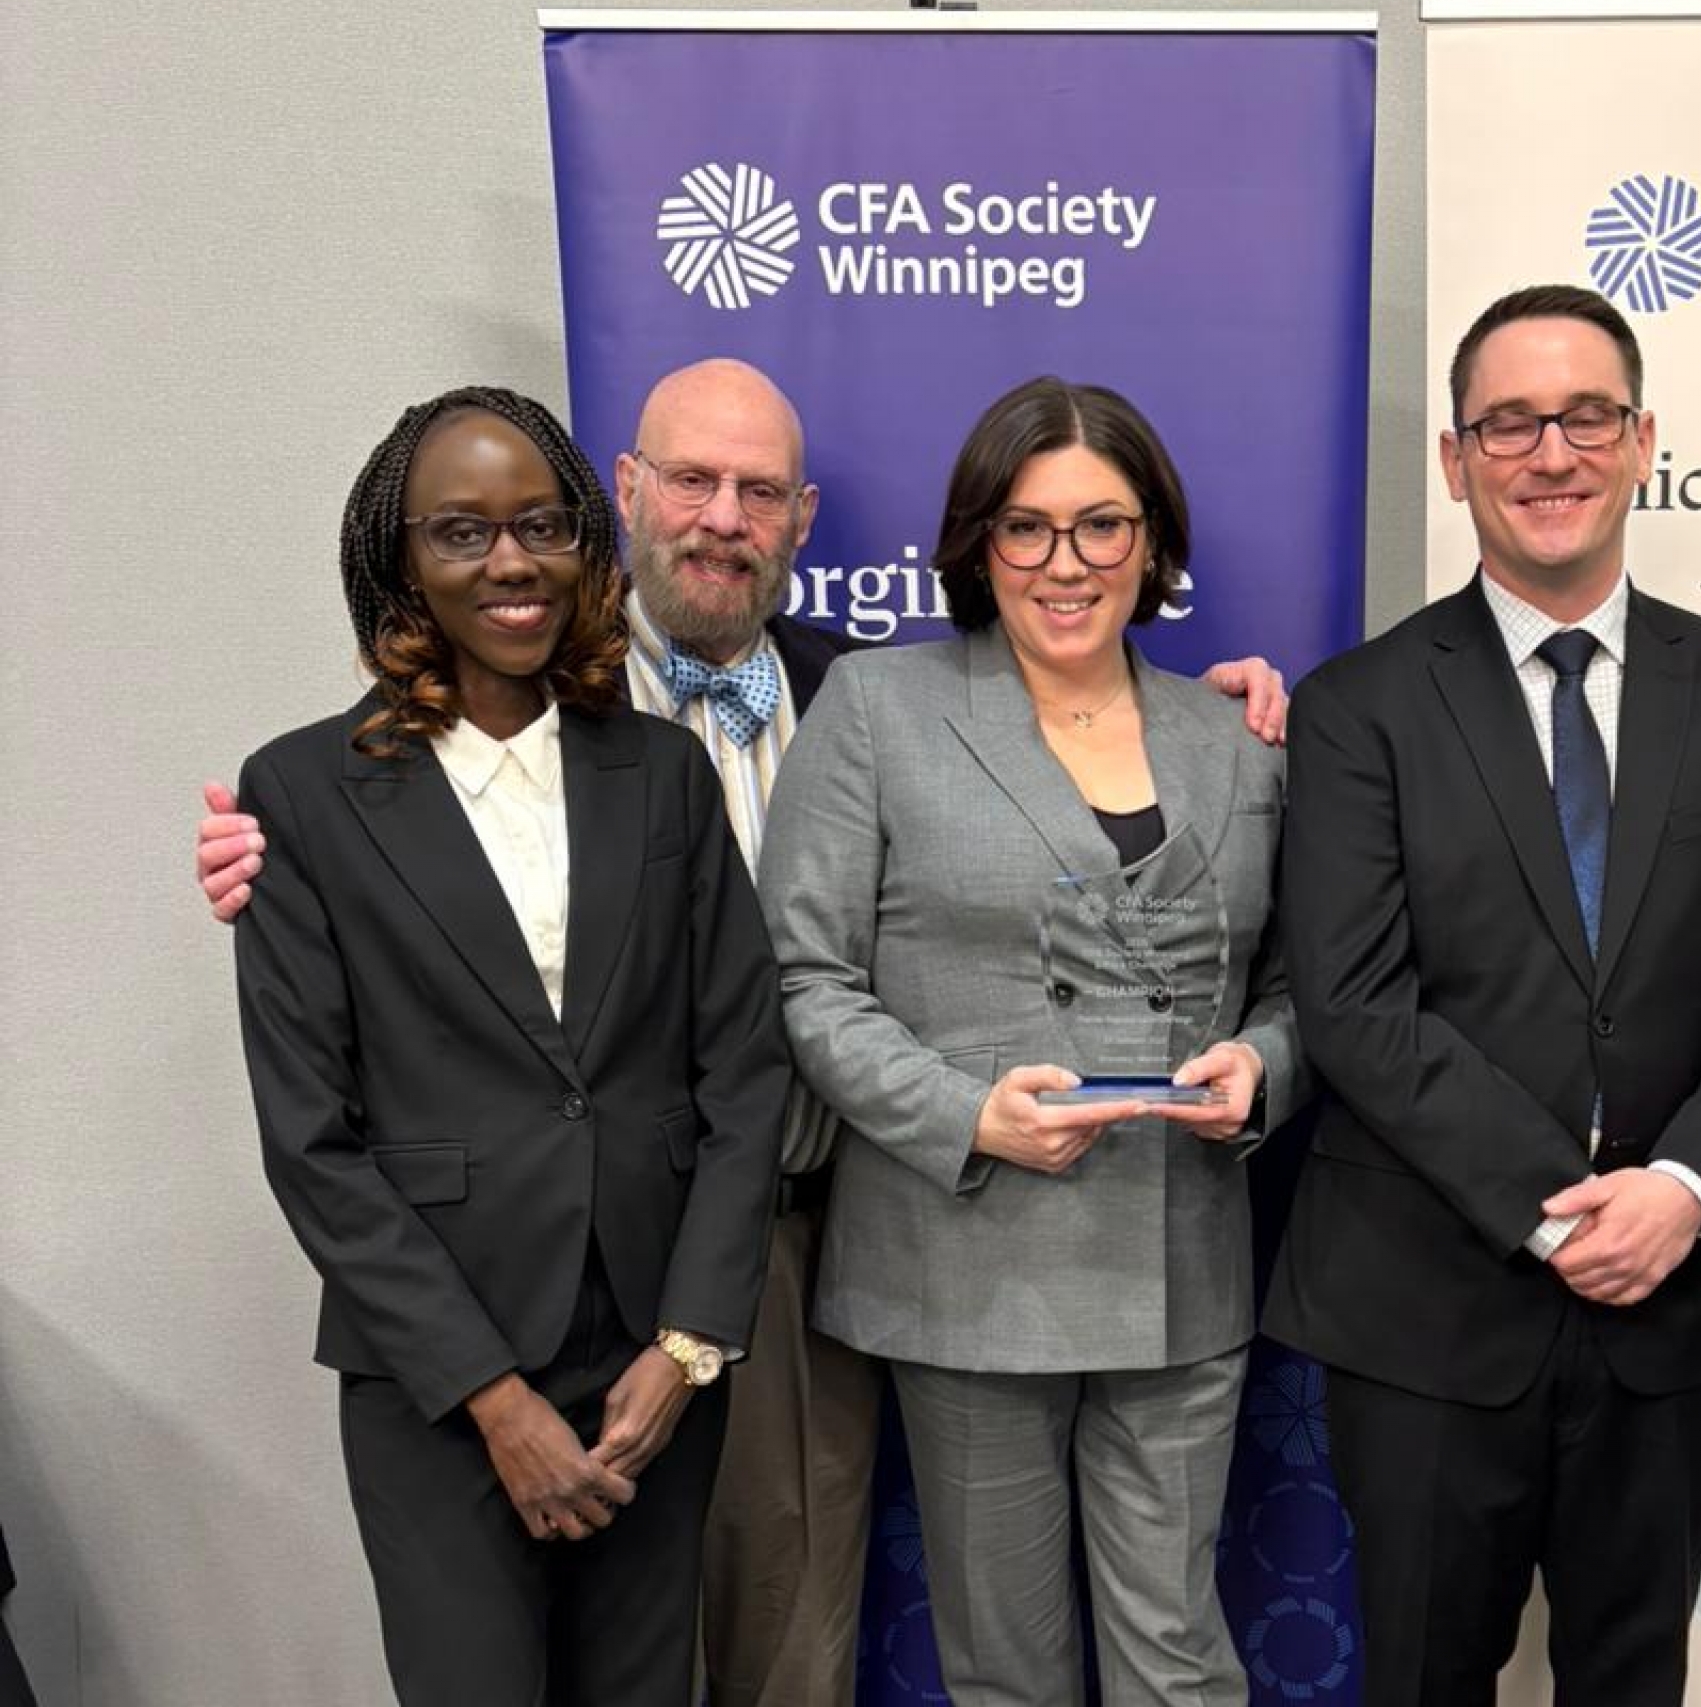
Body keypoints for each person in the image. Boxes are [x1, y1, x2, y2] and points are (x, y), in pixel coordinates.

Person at [194, 358, 1291, 1707]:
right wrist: (268, 857)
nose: (724, 517)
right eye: (693, 481)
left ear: (802, 517)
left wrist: (1222, 715)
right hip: (527, 1292)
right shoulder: (472, 714)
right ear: (627, 494)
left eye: (760, 491)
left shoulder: (845, 690)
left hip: (788, 1229)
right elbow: (373, 961)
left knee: (780, 1644)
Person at [1263, 285, 1701, 1706]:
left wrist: (1680, 1194)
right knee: (1422, 1678)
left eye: (1586, 417)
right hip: (1426, 1305)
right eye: (1509, 424)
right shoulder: (1358, 708)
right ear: (1456, 460)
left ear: (1641, 441)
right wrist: (1561, 1206)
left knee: (1633, 1679)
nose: (1551, 454)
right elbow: (1355, 1003)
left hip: (1676, 1298)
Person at [229, 385, 790, 1704]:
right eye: (461, 531)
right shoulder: (301, 795)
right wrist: (492, 1397)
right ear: (401, 559)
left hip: (653, 1362)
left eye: (540, 525)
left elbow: (746, 1070)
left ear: (584, 540)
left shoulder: (663, 774)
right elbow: (312, 1141)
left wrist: (690, 1346)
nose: (510, 562)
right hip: (438, 1375)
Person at [757, 376, 1302, 1707]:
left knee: (1180, 1664)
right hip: (967, 1260)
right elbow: (806, 980)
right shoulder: (876, 710)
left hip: (1180, 1261)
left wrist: (1265, 1070)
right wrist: (967, 1116)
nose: (1067, 563)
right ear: (978, 543)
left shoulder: (1238, 738)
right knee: (1005, 1675)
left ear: (1153, 543)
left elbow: (1297, 984)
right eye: (1027, 527)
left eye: (1102, 525)